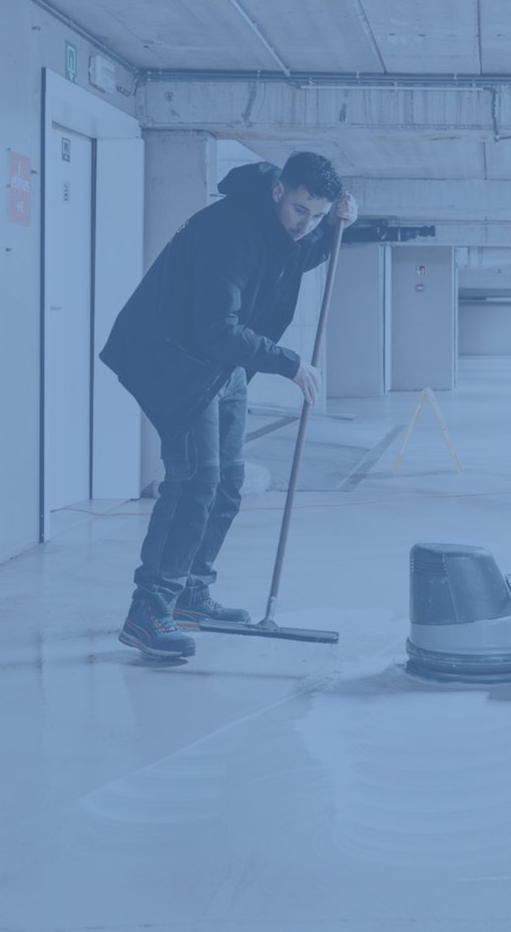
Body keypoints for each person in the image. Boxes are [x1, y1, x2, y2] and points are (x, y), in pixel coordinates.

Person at [100, 152, 355, 659]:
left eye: (317, 216)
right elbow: (214, 328)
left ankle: (191, 590)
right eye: (301, 210)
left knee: (228, 483)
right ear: (280, 189)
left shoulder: (282, 229)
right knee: (195, 480)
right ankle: (148, 610)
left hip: (219, 362)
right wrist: (289, 363)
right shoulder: (230, 230)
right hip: (172, 356)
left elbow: (297, 256)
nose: (306, 225)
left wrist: (337, 229)